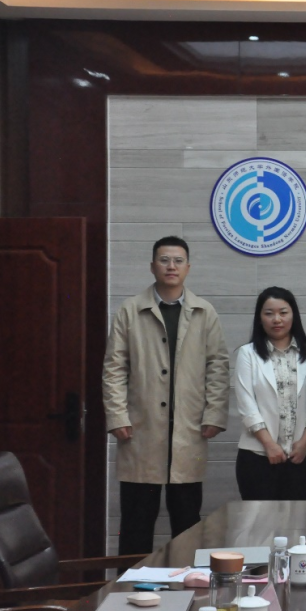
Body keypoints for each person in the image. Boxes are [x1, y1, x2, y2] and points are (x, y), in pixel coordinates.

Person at [102, 236, 229, 555]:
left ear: (188, 267)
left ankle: (188, 581)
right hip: (140, 430)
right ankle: (130, 581)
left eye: (178, 260)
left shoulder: (204, 312)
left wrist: (214, 413)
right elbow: (114, 368)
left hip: (189, 431)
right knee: (136, 521)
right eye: (164, 260)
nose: (171, 266)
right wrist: (117, 416)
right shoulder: (131, 310)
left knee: (187, 521)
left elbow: (218, 366)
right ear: (152, 266)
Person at [234, 287, 306, 501]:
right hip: (257, 455)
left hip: (300, 455)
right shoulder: (247, 354)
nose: (277, 319)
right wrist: (269, 445)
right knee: (258, 520)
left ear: (293, 315)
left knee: (296, 518)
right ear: (260, 318)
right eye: (269, 313)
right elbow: (246, 404)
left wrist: (305, 442)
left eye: (283, 312)